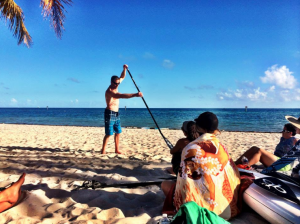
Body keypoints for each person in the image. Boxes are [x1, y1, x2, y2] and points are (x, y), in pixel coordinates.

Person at [162, 112, 241, 220]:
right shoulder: (222, 147)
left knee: (165, 184)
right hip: (226, 210)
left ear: (198, 127)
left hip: (201, 211)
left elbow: (183, 184)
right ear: (215, 129)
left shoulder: (190, 148)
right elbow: (233, 175)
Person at [101, 64, 143, 154]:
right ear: (111, 82)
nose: (117, 85)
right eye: (115, 83)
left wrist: (124, 69)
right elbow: (121, 96)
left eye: (118, 83)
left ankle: (116, 149)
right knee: (108, 134)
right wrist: (135, 95)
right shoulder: (110, 91)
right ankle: (103, 150)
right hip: (109, 113)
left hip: (116, 113)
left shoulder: (117, 84)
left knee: (118, 132)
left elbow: (122, 77)